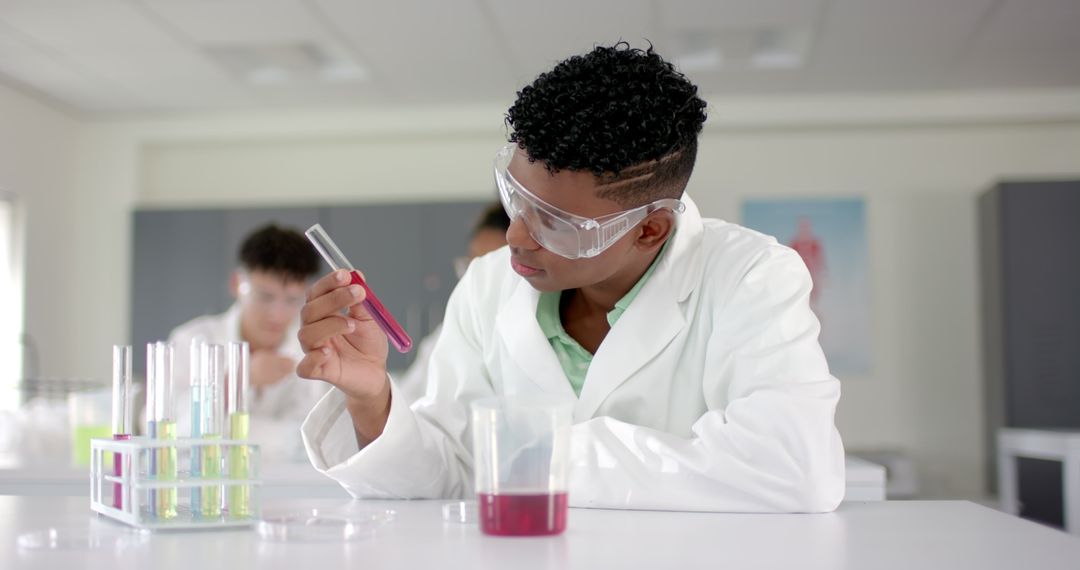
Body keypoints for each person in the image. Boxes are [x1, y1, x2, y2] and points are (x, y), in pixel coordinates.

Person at [296, 43, 845, 512]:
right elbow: (452, 474)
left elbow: (794, 467)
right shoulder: (489, 285)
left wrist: (537, 456)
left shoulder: (750, 276)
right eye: (515, 198)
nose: (515, 236)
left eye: (555, 222)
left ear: (649, 230)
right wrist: (371, 400)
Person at [169, 223, 327, 459]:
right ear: (236, 284)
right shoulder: (191, 341)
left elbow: (310, 441)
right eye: (265, 297)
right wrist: (239, 377)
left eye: (292, 300)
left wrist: (220, 429)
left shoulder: (314, 351)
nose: (277, 314)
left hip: (288, 489)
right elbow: (173, 433)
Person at [397, 202, 510, 404]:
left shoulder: (535, 333)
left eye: (489, 267)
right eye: (470, 265)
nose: (472, 279)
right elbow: (406, 405)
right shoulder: (445, 336)